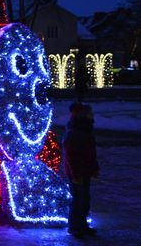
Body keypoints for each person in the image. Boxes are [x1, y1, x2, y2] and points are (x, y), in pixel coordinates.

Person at [62, 102, 99, 238]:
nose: (92, 115)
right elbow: (70, 156)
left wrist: (94, 168)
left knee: (85, 200)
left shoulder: (86, 128)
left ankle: (82, 225)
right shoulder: (74, 131)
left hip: (85, 170)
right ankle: (74, 227)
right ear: (83, 115)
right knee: (78, 200)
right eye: (89, 113)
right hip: (76, 173)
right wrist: (75, 174)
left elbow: (91, 152)